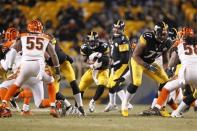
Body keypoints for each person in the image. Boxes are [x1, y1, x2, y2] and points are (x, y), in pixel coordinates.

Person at [0, 19, 60, 118]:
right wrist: (56, 70)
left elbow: (10, 58)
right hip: (39, 70)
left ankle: (5, 106)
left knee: (5, 86)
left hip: (24, 69)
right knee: (40, 101)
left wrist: (6, 64)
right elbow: (50, 56)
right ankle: (53, 105)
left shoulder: (20, 40)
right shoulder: (45, 38)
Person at [121, 22, 173, 117]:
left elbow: (165, 60)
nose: (163, 36)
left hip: (150, 63)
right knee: (136, 82)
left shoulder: (167, 42)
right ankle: (124, 105)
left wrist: (167, 69)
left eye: (165, 34)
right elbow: (135, 55)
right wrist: (147, 66)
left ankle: (160, 107)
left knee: (165, 81)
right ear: (155, 32)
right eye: (161, 33)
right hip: (138, 61)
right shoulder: (147, 37)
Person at [144, 27, 197, 117]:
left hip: (186, 72)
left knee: (167, 88)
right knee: (194, 94)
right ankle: (177, 112)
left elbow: (173, 60)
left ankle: (157, 108)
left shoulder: (179, 43)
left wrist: (169, 68)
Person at [104, 20, 132, 112]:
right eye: (115, 28)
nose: (116, 30)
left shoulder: (123, 39)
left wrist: (113, 64)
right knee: (109, 84)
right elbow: (113, 52)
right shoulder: (113, 37)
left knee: (114, 83)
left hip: (122, 65)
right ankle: (112, 104)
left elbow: (124, 58)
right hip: (116, 64)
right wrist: (111, 60)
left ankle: (127, 103)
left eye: (118, 28)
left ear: (122, 29)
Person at [79, 31, 109, 112]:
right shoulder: (84, 48)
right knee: (80, 88)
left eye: (93, 41)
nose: (91, 43)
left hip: (103, 70)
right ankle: (78, 106)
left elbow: (107, 61)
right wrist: (90, 64)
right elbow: (82, 62)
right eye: (90, 41)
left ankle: (93, 101)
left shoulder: (103, 46)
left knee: (102, 84)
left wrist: (98, 60)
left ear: (97, 40)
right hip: (91, 70)